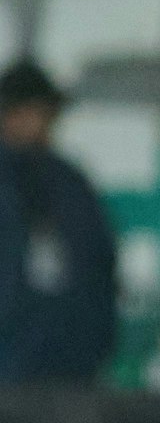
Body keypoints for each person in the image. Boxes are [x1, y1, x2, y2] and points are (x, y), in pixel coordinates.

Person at [0, 60, 118, 384]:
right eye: (29, 111)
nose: (41, 122)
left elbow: (99, 268)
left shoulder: (70, 183)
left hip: (69, 369)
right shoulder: (67, 182)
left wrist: (94, 344)